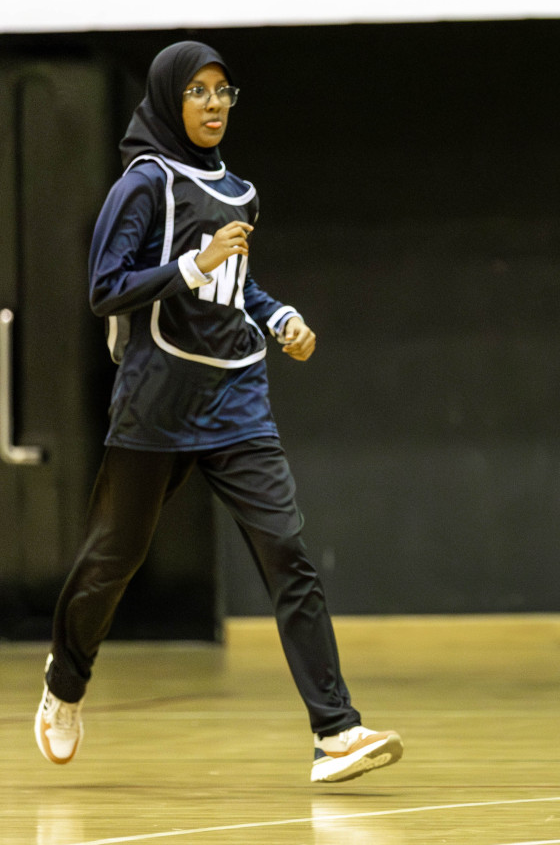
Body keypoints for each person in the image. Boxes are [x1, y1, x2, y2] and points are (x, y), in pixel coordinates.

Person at [33, 41, 403, 784]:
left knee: (287, 556)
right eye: (197, 91)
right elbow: (107, 288)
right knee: (114, 558)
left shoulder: (240, 190)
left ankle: (336, 732)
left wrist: (281, 317)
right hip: (156, 404)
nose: (211, 104)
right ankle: (65, 684)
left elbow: (237, 286)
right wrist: (191, 265)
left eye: (222, 91)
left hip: (237, 400)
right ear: (170, 101)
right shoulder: (143, 184)